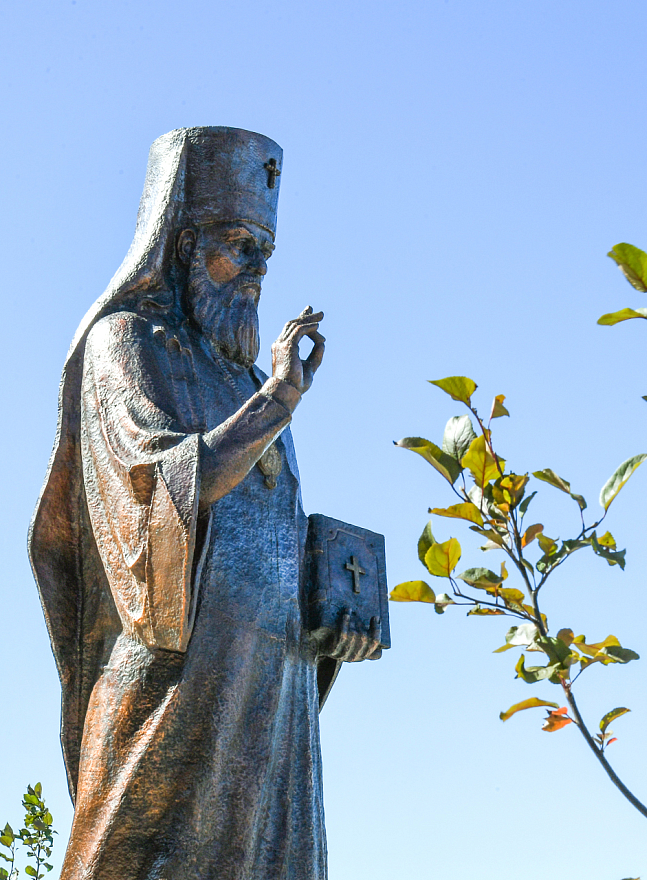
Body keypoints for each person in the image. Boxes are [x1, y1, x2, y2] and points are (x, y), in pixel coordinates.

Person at [29, 127, 379, 880]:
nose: (257, 267)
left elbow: (274, 550)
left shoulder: (251, 386)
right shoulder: (126, 344)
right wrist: (279, 399)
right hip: (175, 691)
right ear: (184, 245)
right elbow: (153, 485)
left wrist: (330, 631)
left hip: (269, 696)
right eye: (237, 243)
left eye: (266, 250)